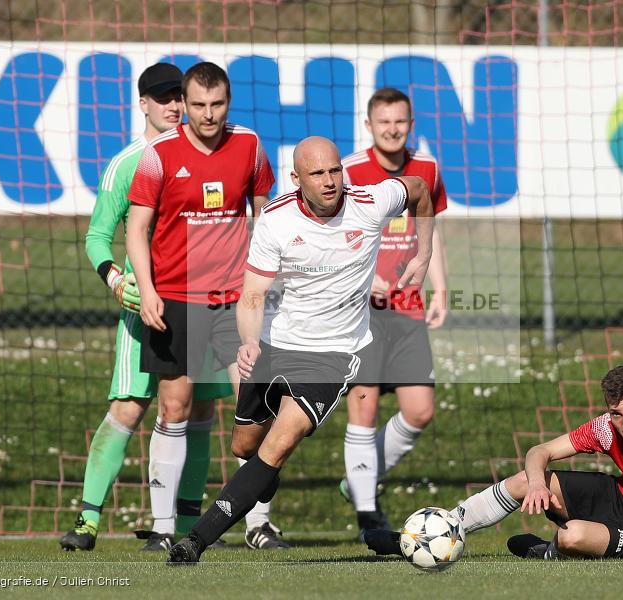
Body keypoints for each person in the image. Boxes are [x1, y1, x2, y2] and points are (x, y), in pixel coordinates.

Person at [166, 136, 436, 564]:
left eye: (335, 170)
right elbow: (253, 295)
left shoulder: (370, 201)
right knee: (244, 447)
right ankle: (259, 478)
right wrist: (250, 341)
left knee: (279, 443)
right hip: (274, 343)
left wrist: (424, 251)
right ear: (296, 178)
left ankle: (194, 541)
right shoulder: (275, 219)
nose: (330, 181)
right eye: (318, 173)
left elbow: (420, 189)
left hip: (334, 355)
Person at [60, 63, 234, 552]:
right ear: (142, 104)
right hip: (144, 310)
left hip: (202, 305)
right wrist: (116, 280)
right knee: (130, 408)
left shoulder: (203, 153)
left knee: (198, 411)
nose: (175, 106)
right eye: (163, 98)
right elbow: (98, 236)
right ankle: (88, 519)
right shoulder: (129, 162)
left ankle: (188, 525)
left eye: (179, 96)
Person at [125, 62, 289, 551]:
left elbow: (267, 213)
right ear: (185, 103)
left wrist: (268, 280)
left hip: (234, 301)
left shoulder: (250, 146)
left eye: (216, 105)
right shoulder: (158, 154)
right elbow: (137, 228)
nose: (207, 114)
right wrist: (148, 289)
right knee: (174, 409)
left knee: (254, 410)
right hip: (175, 297)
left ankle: (260, 524)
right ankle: (162, 528)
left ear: (228, 101)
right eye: (198, 105)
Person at [365, 365, 623, 561]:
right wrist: (539, 484)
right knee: (528, 478)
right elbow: (539, 451)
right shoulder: (607, 428)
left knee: (573, 536)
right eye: (616, 413)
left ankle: (547, 551)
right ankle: (437, 532)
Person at [339, 87, 449, 535]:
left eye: (400, 122)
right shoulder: (348, 170)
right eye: (383, 122)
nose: (392, 129)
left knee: (420, 410)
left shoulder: (426, 169)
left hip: (407, 311)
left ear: (410, 125)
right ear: (369, 126)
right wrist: (365, 278)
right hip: (359, 312)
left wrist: (440, 287)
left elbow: (431, 230)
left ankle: (359, 480)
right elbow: (334, 236)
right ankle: (368, 515)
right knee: (362, 409)